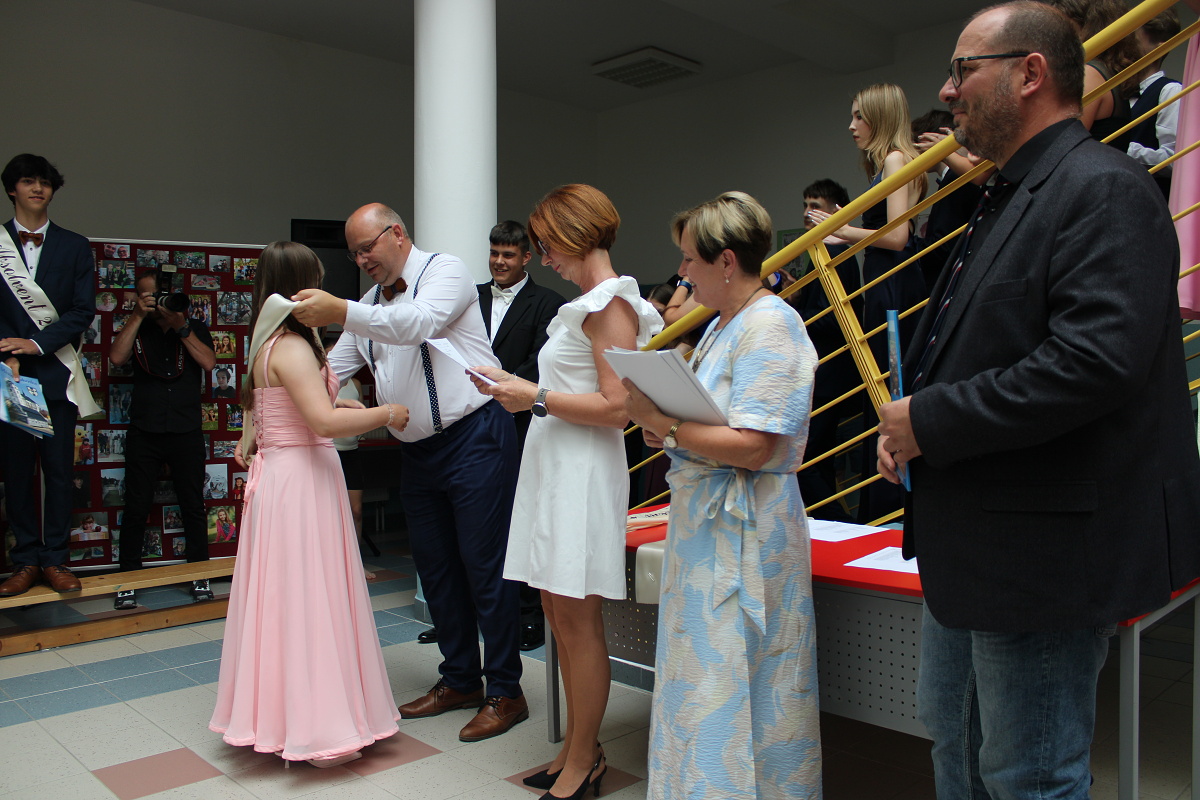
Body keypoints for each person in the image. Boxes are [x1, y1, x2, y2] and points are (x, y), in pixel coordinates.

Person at [876, 4, 1200, 796]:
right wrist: (908, 433)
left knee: (1029, 777)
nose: (946, 91)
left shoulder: (1104, 188)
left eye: (963, 70)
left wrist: (930, 421)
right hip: (977, 543)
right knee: (957, 754)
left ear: (1030, 73)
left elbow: (1093, 363)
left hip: (1043, 554)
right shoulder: (1009, 193)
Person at [292, 203, 527, 742]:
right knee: (436, 570)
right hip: (417, 454)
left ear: (396, 233)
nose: (361, 260)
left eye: (367, 247)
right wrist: (276, 383)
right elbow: (332, 372)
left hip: (475, 438)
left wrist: (341, 309)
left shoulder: (446, 272)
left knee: (484, 568)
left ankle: (506, 691)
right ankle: (460, 679)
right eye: (354, 254)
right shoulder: (369, 307)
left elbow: (415, 323)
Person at [623, 191, 821, 800]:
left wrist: (667, 427)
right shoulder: (721, 324)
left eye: (690, 259)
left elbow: (755, 446)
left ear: (727, 261)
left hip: (747, 525)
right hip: (709, 521)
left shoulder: (771, 325)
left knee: (739, 678)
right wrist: (669, 429)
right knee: (703, 677)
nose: (682, 273)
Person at [469, 184, 662, 800]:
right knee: (557, 614)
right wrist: (515, 384)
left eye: (548, 245)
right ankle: (576, 748)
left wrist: (533, 396)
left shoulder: (611, 303)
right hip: (554, 462)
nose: (545, 257)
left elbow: (616, 408)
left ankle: (584, 759)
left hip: (581, 470)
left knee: (578, 623)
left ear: (576, 235)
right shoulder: (587, 303)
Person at [210, 241, 407, 768]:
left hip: (288, 476)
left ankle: (281, 717)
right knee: (307, 598)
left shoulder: (268, 343)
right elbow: (321, 423)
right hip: (300, 478)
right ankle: (317, 726)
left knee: (288, 597)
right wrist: (385, 412)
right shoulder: (293, 348)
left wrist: (338, 400)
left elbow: (279, 407)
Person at [0, 154, 97, 597]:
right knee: (18, 473)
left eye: (45, 182)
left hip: (55, 373)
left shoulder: (75, 246)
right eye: (28, 181)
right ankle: (25, 561)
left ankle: (56, 559)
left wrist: (35, 344)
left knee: (59, 473)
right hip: (10, 375)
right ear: (12, 189)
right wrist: (8, 351)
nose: (38, 188)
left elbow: (82, 310)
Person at [475, 219, 566, 653]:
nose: (499, 262)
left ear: (527, 257)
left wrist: (503, 391)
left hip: (520, 424)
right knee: (477, 522)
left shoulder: (549, 302)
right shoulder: (470, 297)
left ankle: (527, 615)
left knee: (520, 516)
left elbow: (540, 364)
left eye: (508, 255)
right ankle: (476, 611)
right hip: (468, 425)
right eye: (494, 253)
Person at [110, 269, 216, 608]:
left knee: (193, 506)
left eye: (159, 295)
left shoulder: (194, 326)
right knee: (136, 507)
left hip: (186, 430)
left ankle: (200, 575)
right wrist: (137, 315)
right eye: (149, 296)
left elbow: (209, 363)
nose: (157, 302)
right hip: (145, 430)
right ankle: (127, 581)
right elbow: (116, 358)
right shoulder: (138, 327)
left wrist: (181, 326)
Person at [788, 179, 862, 523]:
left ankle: (841, 526)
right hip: (826, 370)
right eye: (805, 205)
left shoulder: (833, 252)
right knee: (817, 461)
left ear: (836, 211)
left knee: (808, 462)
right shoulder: (822, 250)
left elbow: (835, 318)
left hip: (829, 371)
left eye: (815, 205)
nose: (807, 212)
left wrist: (791, 313)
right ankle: (835, 526)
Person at [1040, 0, 1139, 146]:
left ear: (1088, 28)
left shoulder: (1090, 75)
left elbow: (1058, 145)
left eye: (1064, 28)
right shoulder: (1103, 72)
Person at [1127, 7, 1183, 196]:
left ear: (1159, 49)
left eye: (1134, 41)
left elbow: (1173, 159)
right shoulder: (1120, 91)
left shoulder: (1170, 91)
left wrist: (1122, 147)